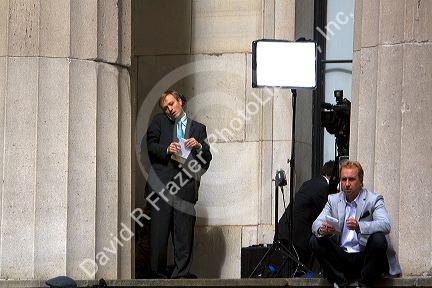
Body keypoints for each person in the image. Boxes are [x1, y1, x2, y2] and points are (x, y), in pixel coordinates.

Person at [144, 89, 212, 278]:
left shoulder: (198, 128)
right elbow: (149, 146)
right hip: (162, 187)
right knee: (159, 235)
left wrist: (198, 146)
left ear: (180, 101)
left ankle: (180, 276)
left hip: (185, 187)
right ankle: (157, 276)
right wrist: (166, 148)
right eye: (166, 107)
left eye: (171, 104)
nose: (169, 109)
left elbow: (206, 159)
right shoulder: (159, 122)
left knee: (184, 235)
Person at [310, 161, 401, 287]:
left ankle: (365, 283)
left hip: (365, 257)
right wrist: (322, 229)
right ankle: (340, 283)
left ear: (361, 181)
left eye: (351, 179)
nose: (347, 184)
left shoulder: (373, 199)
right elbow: (315, 224)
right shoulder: (333, 200)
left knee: (379, 239)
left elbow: (385, 224)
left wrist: (360, 226)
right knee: (315, 239)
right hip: (342, 256)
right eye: (344, 179)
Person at [278, 161, 337, 268]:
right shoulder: (323, 187)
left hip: (285, 230)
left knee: (290, 269)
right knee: (298, 270)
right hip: (297, 235)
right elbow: (330, 214)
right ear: (334, 177)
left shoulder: (311, 183)